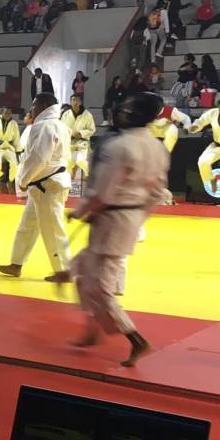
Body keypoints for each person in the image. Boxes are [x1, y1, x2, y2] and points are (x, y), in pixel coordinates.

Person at [70, 92, 169, 368]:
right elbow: (158, 192)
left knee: (100, 286)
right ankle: (92, 327)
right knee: (83, 271)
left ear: (133, 113)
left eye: (127, 108)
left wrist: (80, 212)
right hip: (129, 217)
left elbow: (102, 192)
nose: (122, 113)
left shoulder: (119, 146)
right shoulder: (157, 147)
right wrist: (138, 217)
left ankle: (135, 338)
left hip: (110, 219)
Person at [0, 92, 72, 283]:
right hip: (45, 184)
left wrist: (23, 180)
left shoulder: (45, 125)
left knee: (53, 229)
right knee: (27, 226)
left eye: (34, 104)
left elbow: (39, 158)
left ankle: (64, 271)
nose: (31, 108)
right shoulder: (59, 125)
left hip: (48, 185)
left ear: (44, 106)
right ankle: (16, 263)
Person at [61, 93, 96, 179]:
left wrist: (81, 133)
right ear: (70, 102)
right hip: (69, 142)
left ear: (81, 102)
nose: (75, 102)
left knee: (81, 161)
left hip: (82, 143)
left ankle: (87, 180)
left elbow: (92, 129)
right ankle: (70, 177)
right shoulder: (66, 114)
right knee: (68, 162)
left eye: (77, 100)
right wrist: (69, 135)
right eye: (73, 100)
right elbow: (61, 128)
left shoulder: (87, 115)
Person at [0, 107, 22, 190]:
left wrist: (18, 150)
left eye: (10, 113)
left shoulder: (14, 123)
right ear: (1, 113)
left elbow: (16, 137)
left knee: (14, 163)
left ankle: (10, 182)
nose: (8, 114)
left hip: (8, 147)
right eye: (6, 113)